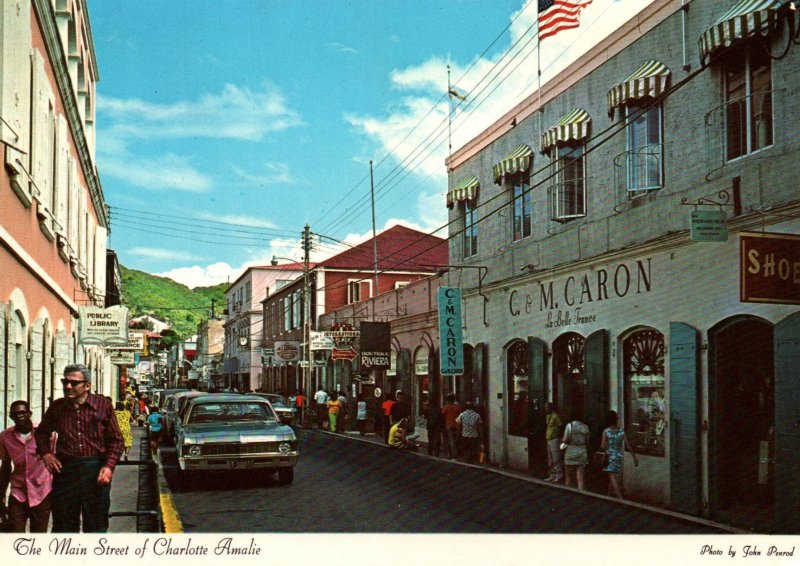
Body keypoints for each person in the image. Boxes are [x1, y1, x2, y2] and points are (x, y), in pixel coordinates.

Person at [35, 364, 124, 533]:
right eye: (65, 382)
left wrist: (108, 467)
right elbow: (41, 433)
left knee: (96, 524)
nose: (68, 386)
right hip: (66, 470)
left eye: (74, 383)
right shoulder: (57, 407)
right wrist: (46, 454)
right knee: (64, 525)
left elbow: (116, 440)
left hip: (95, 470)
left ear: (87, 385)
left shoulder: (103, 406)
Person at [0, 400, 53, 532]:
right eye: (15, 414)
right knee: (15, 535)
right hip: (18, 493)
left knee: (38, 536)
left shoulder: (45, 433)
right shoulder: (5, 437)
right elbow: (6, 467)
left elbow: (57, 462)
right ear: (11, 417)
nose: (20, 416)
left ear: (29, 413)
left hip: (42, 492)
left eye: (23, 412)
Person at [600, 410, 638, 498]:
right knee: (612, 475)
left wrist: (606, 446)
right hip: (619, 455)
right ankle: (608, 496)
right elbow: (627, 445)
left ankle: (620, 498)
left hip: (610, 456)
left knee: (612, 477)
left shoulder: (606, 431)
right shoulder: (621, 431)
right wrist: (634, 457)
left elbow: (602, 446)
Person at [561, 419, 590, 490]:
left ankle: (568, 493)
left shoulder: (569, 425)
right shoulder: (585, 427)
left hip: (570, 451)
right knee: (580, 478)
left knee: (568, 476)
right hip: (582, 452)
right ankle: (581, 494)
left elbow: (564, 440)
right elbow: (587, 442)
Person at [545, 402, 563, 482]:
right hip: (549, 438)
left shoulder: (556, 416)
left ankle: (559, 475)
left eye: (547, 408)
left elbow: (560, 425)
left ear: (551, 408)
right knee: (551, 459)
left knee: (556, 458)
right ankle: (552, 474)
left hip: (555, 439)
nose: (546, 409)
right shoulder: (548, 416)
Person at [441, 394, 462, 459]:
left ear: (447, 400)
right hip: (456, 425)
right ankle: (455, 454)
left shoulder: (446, 407)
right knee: (455, 440)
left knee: (450, 440)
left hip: (448, 425)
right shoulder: (457, 407)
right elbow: (460, 414)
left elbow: (442, 415)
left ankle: (451, 454)